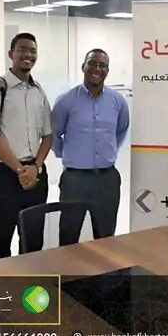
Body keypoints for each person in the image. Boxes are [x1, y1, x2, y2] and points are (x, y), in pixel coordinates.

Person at [0, 33, 52, 259]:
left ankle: (30, 280)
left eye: (33, 51)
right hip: (5, 175)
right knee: (2, 239)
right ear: (11, 54)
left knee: (33, 239)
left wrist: (36, 167)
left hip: (35, 173)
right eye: (22, 49)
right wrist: (21, 171)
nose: (28, 55)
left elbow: (48, 136)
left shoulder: (38, 90)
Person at [52, 49, 129, 244]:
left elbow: (120, 131)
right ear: (83, 66)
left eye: (102, 65)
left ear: (107, 71)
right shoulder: (66, 100)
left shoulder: (118, 101)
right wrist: (67, 154)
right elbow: (53, 134)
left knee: (106, 238)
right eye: (92, 63)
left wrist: (107, 152)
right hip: (74, 180)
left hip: (107, 180)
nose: (97, 68)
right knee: (68, 236)